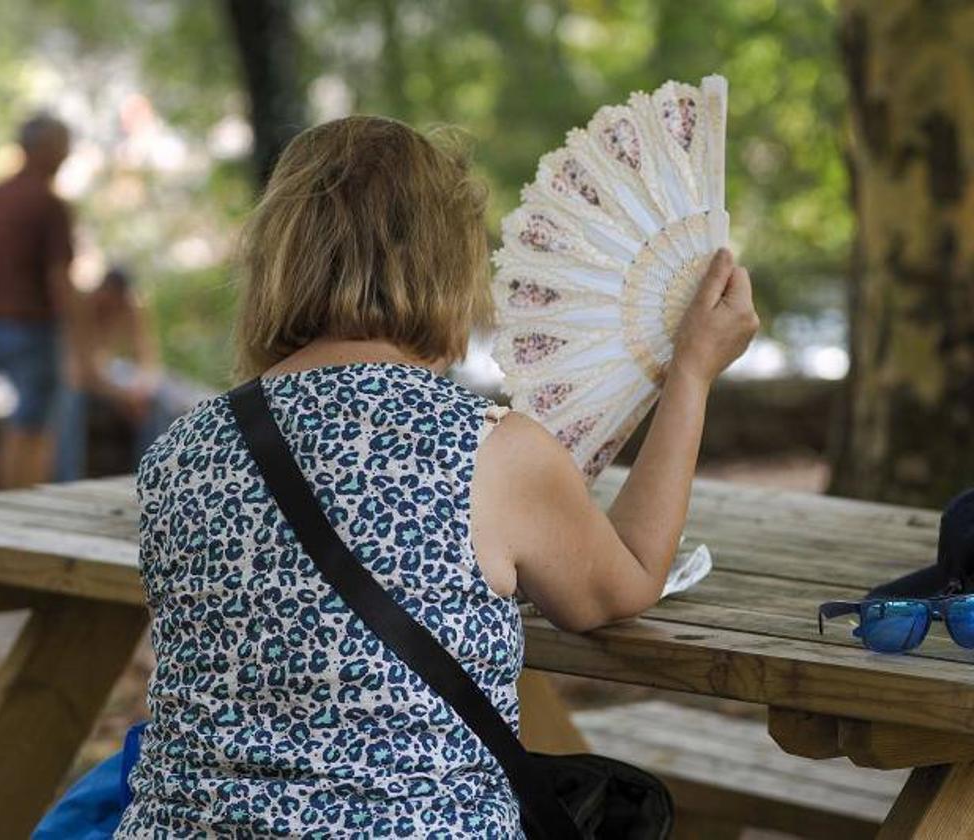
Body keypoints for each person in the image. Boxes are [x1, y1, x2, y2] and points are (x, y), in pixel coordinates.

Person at [115, 116, 758, 836]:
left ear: (274, 260)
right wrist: (693, 373)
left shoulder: (179, 452)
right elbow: (626, 581)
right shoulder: (491, 451)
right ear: (449, 263)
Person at [0, 112, 76, 489]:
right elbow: (59, 277)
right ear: (44, 149)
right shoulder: (47, 203)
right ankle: (21, 502)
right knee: (32, 425)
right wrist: (78, 330)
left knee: (28, 418)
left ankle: (15, 497)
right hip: (31, 328)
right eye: (62, 146)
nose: (67, 155)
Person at [54, 266, 169, 481]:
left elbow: (148, 360)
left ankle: (150, 477)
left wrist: (139, 389)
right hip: (77, 381)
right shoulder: (82, 307)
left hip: (108, 378)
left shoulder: (131, 309)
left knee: (156, 401)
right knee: (69, 402)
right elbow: (84, 374)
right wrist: (122, 396)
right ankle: (67, 480)